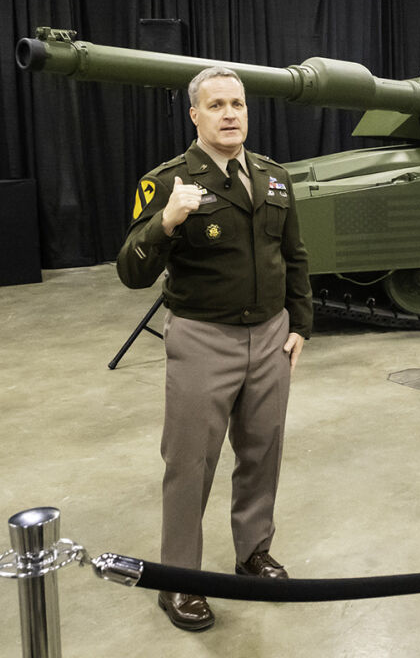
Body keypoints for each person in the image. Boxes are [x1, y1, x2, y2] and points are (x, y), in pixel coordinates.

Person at [116, 66, 312, 631]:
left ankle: (253, 554)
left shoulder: (274, 177)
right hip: (204, 338)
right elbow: (131, 271)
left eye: (238, 103)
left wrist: (301, 322)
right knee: (189, 463)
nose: (231, 114)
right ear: (195, 116)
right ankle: (180, 581)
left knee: (262, 450)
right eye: (218, 105)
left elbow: (293, 256)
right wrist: (168, 222)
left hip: (272, 336)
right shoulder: (168, 182)